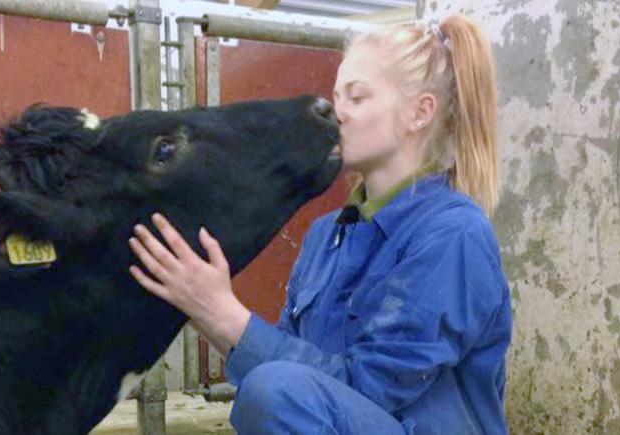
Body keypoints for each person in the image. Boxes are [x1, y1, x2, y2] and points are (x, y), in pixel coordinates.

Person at [127, 14, 512, 435]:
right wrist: (203, 308)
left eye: (357, 98)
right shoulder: (328, 234)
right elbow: (304, 378)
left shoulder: (452, 234)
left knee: (273, 393)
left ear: (419, 112)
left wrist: (224, 314)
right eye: (336, 96)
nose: (337, 112)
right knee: (271, 390)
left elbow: (366, 391)